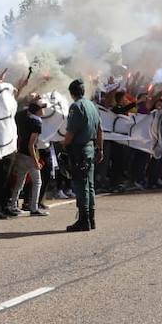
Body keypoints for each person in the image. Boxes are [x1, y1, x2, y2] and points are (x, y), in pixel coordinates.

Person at [62, 79, 101, 232]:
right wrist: (101, 149)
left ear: (71, 93)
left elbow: (70, 132)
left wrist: (64, 146)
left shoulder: (76, 107)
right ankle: (91, 219)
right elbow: (100, 130)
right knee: (90, 185)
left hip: (79, 150)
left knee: (80, 185)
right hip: (90, 148)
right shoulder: (92, 105)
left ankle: (83, 220)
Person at [8, 99, 48, 216]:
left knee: (20, 181)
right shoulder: (37, 123)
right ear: (37, 111)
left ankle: (13, 205)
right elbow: (31, 144)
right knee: (37, 182)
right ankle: (34, 207)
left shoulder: (23, 118)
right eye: (42, 108)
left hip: (20, 153)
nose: (43, 110)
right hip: (30, 155)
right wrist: (35, 160)